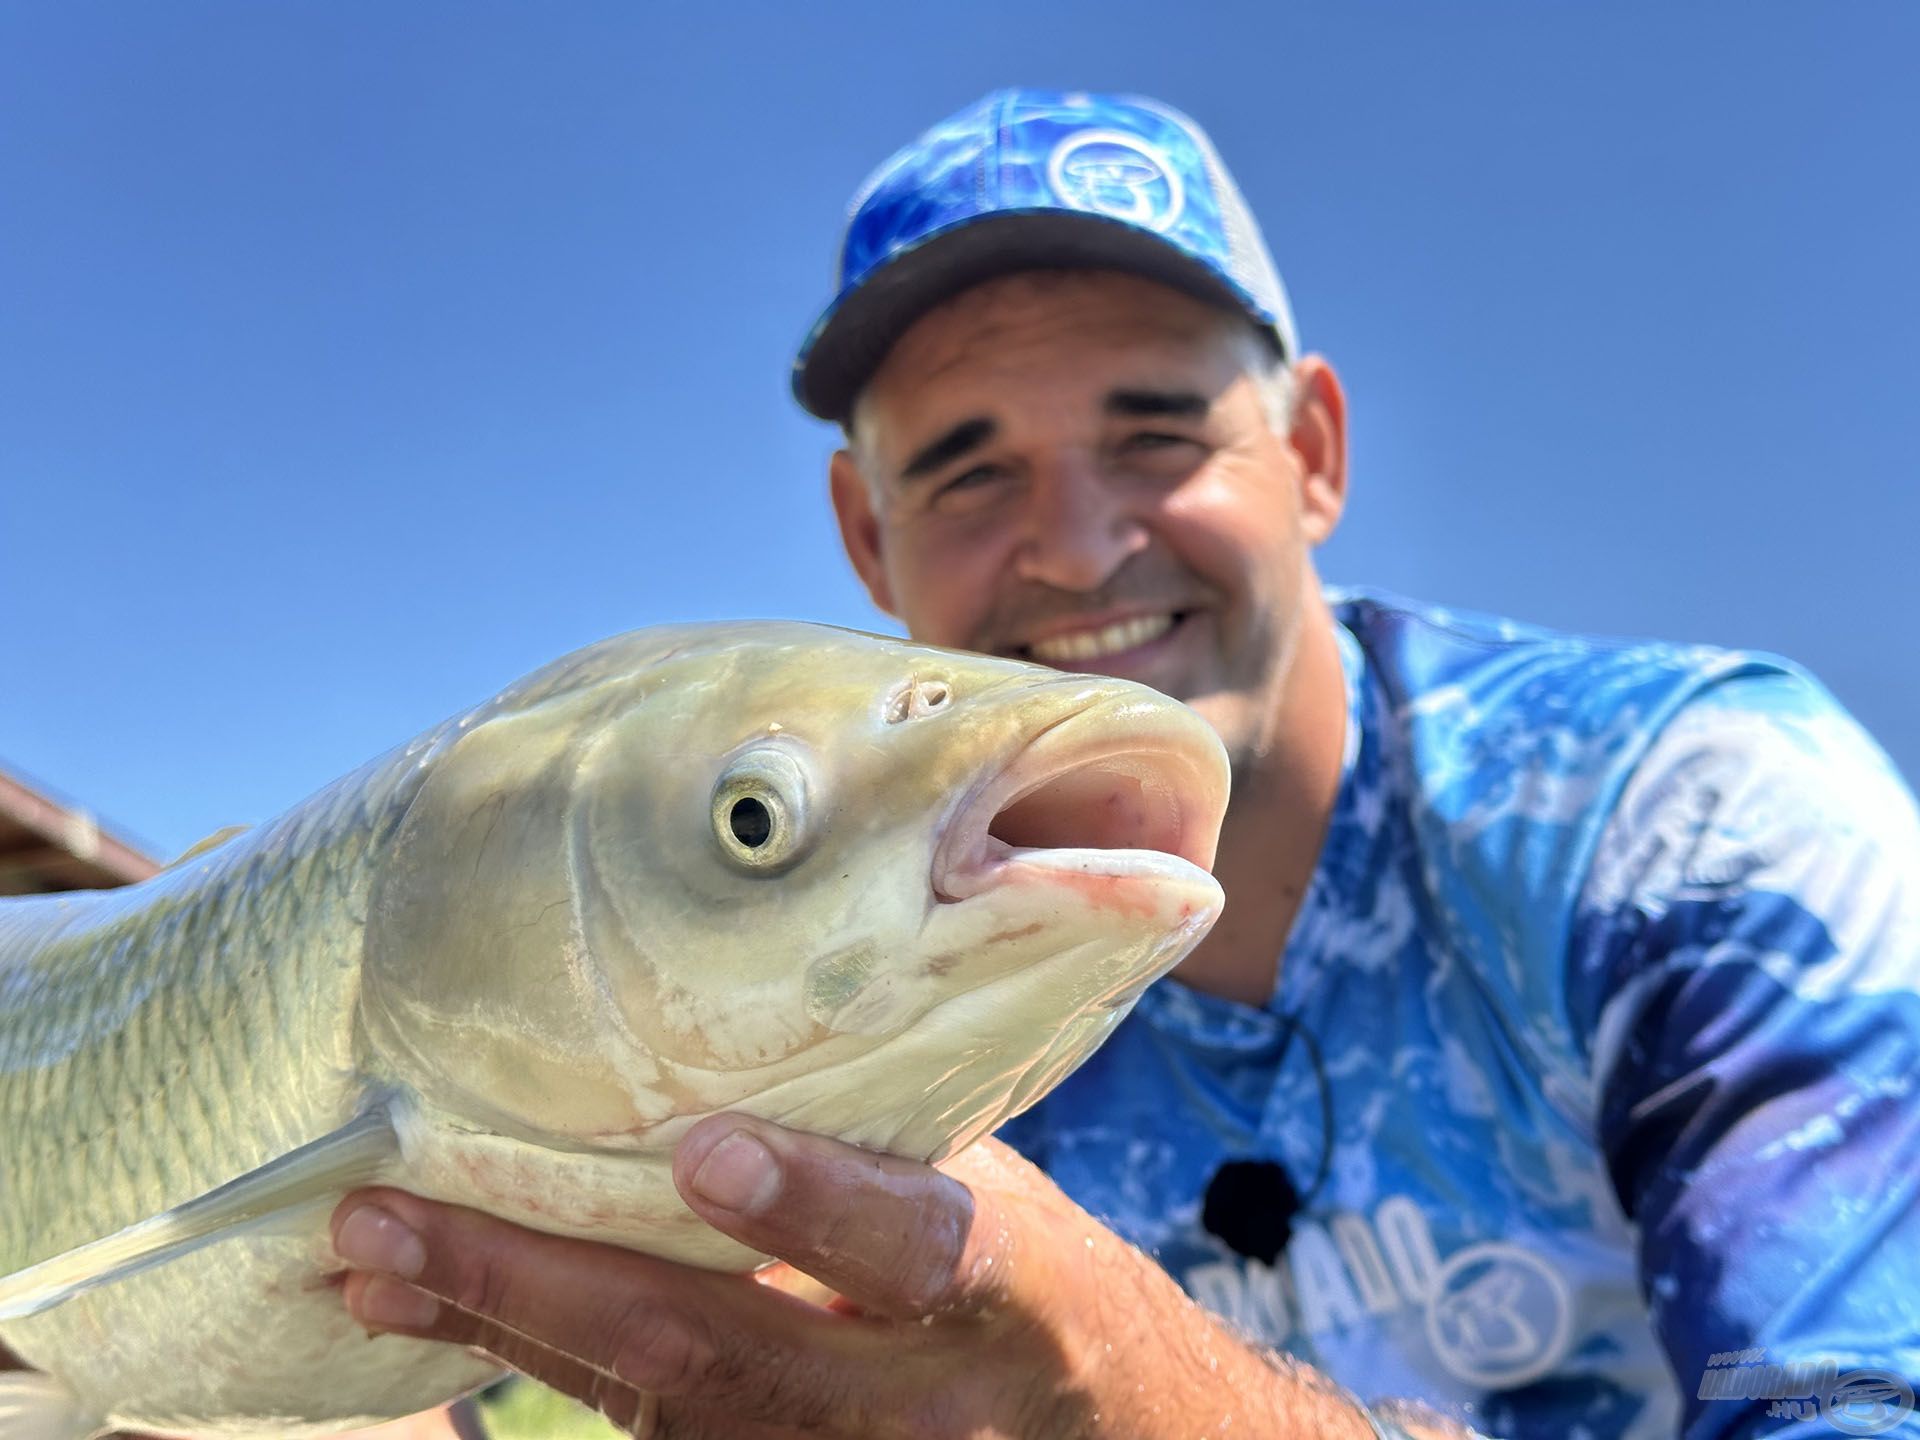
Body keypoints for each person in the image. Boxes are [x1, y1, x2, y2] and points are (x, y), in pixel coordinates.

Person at [328, 90, 1920, 1439]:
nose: (1080, 551)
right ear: (864, 540)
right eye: (969, 474)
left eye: (1158, 437)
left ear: (1311, 455)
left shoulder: (1686, 823)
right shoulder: (810, 981)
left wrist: (1150, 1404)